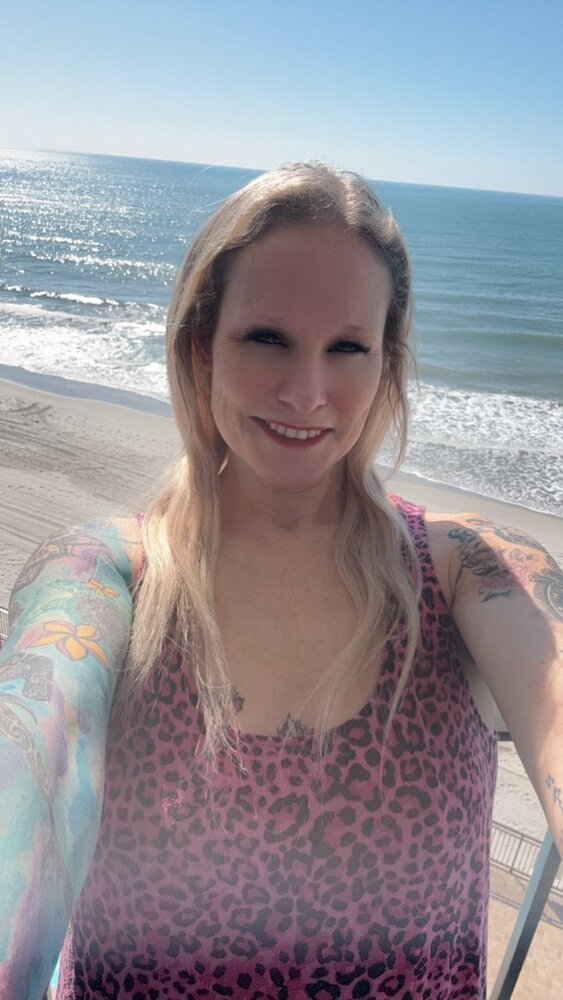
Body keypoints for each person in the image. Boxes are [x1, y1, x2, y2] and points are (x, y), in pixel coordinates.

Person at [1, 163, 562, 1000]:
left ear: (386, 363)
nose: (306, 393)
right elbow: (34, 758)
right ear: (202, 344)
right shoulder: (106, 571)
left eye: (347, 348)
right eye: (267, 338)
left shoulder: (463, 568)